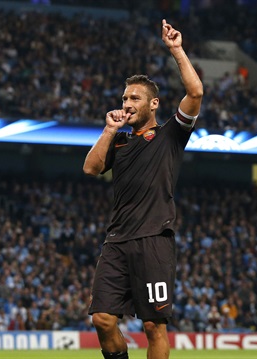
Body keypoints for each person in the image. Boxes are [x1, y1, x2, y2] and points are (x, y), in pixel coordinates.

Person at [82, 19, 203, 359]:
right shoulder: (118, 142)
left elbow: (195, 93)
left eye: (135, 97)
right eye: (124, 97)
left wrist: (176, 51)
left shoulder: (170, 136)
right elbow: (90, 168)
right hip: (117, 241)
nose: (127, 102)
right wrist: (108, 130)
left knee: (153, 326)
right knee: (102, 319)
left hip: (154, 241)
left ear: (153, 104)